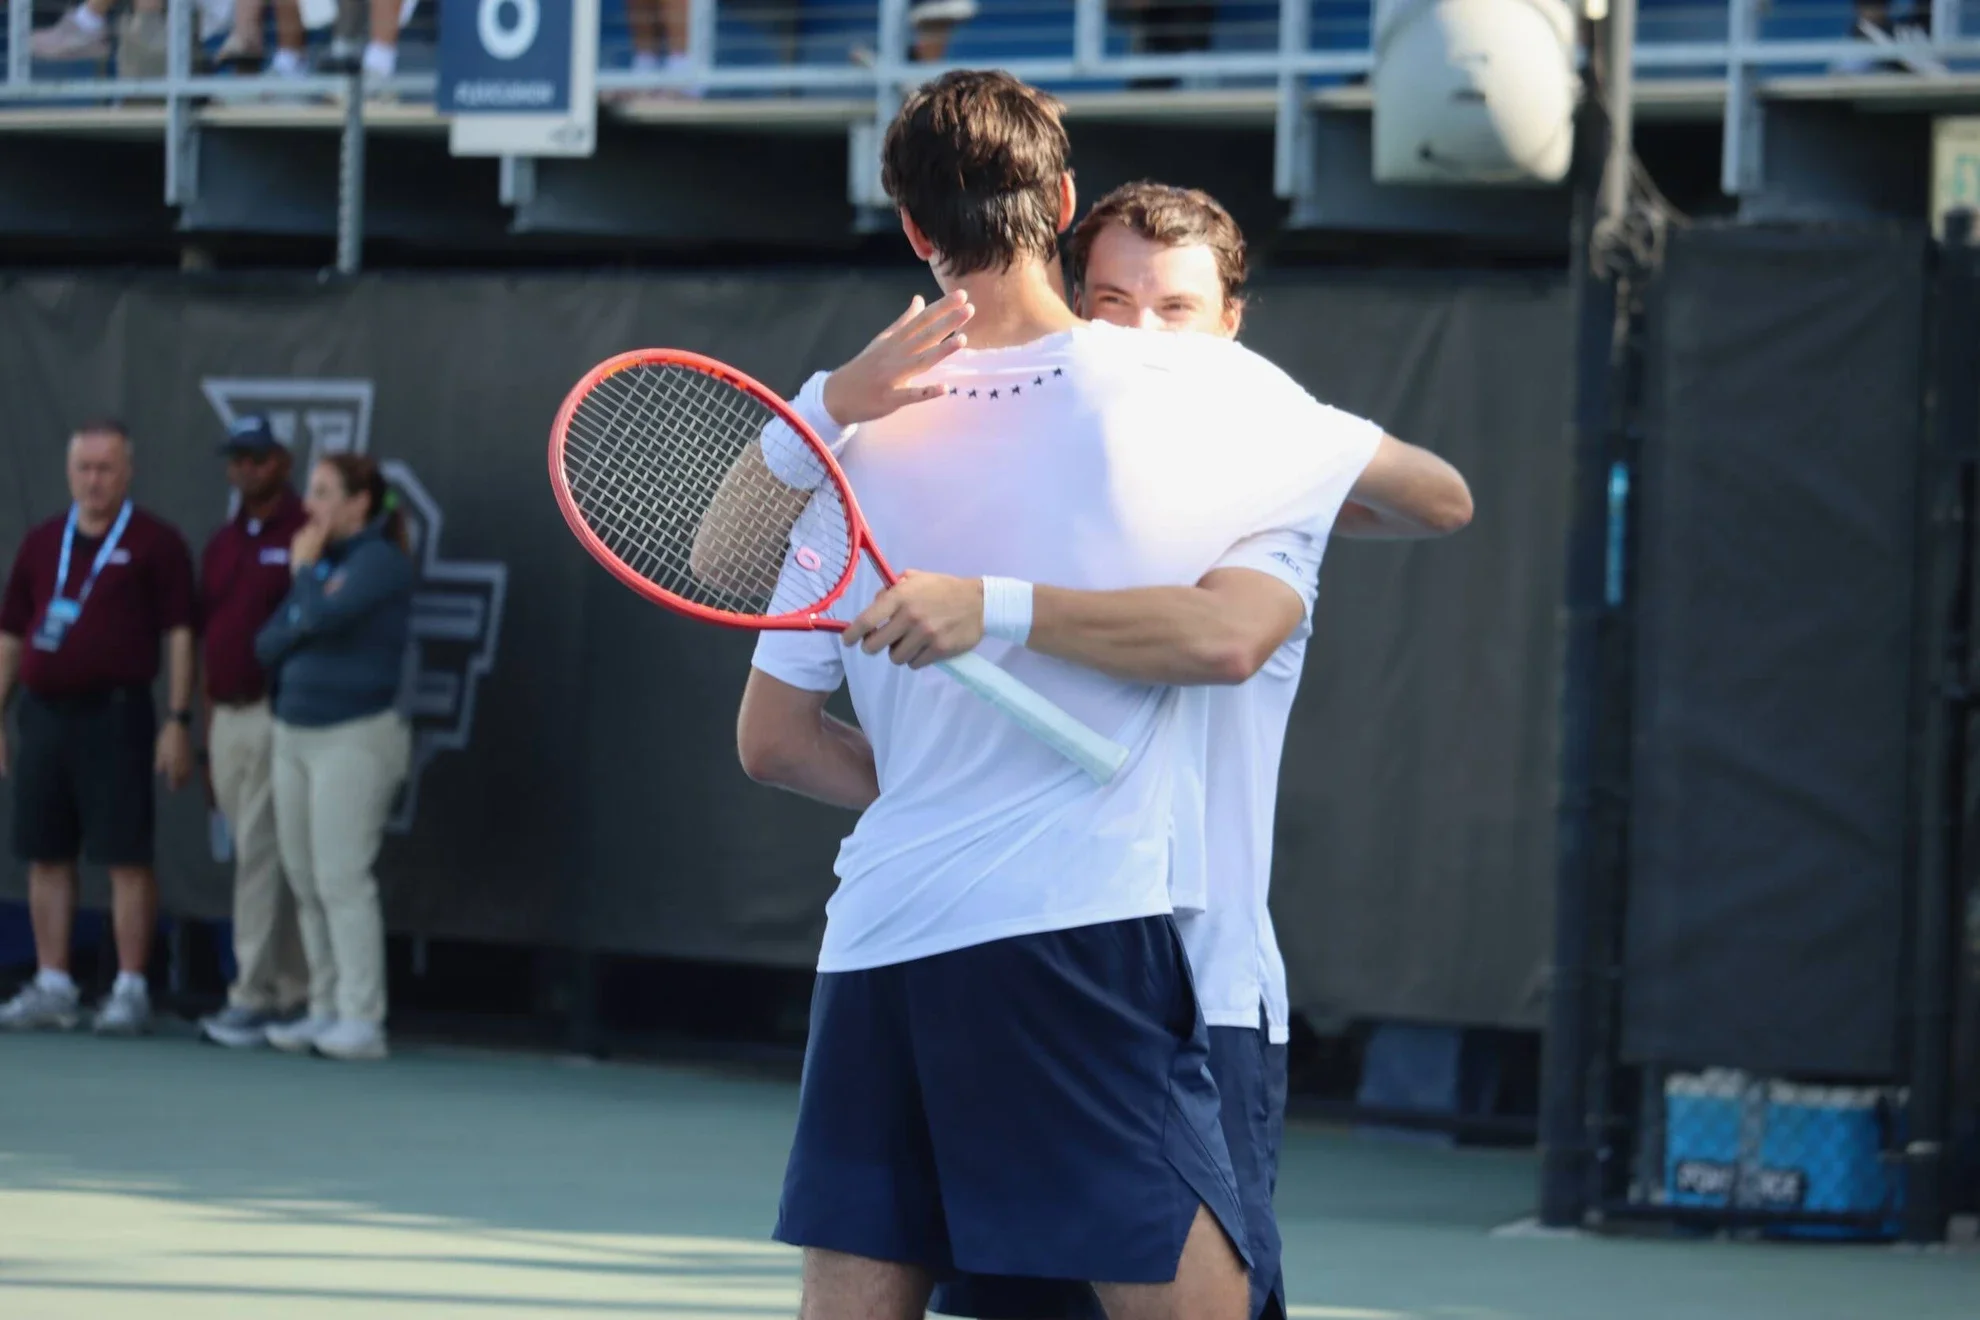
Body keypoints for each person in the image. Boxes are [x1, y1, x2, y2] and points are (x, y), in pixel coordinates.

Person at [737, 70, 1391, 1320]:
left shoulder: (852, 442)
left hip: (881, 937)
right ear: (1065, 202)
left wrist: (937, 795)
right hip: (1079, 936)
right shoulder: (1188, 394)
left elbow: (770, 742)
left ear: (912, 230)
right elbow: (1425, 504)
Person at [921, 182, 1471, 1320]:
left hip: (1196, 988)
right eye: (1111, 302)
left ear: (1230, 325)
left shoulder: (1261, 472)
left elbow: (1438, 499)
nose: (1138, 334)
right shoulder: (1004, 455)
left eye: (1175, 309)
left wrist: (1001, 606)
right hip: (1013, 962)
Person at [0, 419, 196, 1035]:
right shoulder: (40, 543)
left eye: (106, 468)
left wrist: (178, 719)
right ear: (68, 473)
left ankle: (130, 987)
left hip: (116, 715)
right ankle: (54, 981)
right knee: (45, 853)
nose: (94, 480)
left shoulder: (156, 542)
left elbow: (180, 634)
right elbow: (10, 635)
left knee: (124, 855)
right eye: (84, 468)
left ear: (128, 472)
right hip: (44, 716)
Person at [254, 453, 413, 1062]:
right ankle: (324, 1007)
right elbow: (268, 643)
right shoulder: (328, 565)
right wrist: (309, 593)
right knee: (303, 875)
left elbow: (315, 616)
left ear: (359, 503)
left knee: (341, 877)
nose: (308, 507)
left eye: (322, 493)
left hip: (356, 738)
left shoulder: (379, 562)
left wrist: (303, 577)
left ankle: (360, 1016)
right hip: (293, 733)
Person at [195, 416, 312, 1049]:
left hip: (279, 714)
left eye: (258, 457)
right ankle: (290, 990)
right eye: (238, 458)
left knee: (263, 857)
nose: (246, 468)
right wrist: (203, 730)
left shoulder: (304, 534)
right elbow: (210, 638)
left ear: (282, 462)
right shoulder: (222, 542)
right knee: (259, 854)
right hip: (229, 719)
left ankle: (252, 995)